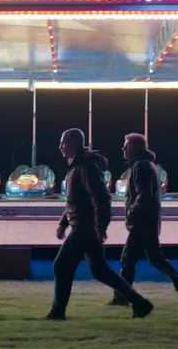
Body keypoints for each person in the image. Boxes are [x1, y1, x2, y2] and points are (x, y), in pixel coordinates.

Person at [47, 128, 152, 320]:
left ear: (73, 144)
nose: (60, 147)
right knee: (100, 271)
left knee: (61, 265)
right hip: (86, 227)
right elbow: (74, 201)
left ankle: (57, 312)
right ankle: (140, 303)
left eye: (63, 143)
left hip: (85, 228)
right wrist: (63, 224)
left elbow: (102, 198)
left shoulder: (85, 167)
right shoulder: (76, 167)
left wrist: (100, 227)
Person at [109, 133, 178, 307]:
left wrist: (132, 213)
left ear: (135, 148)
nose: (123, 149)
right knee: (153, 259)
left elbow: (144, 195)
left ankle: (122, 297)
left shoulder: (140, 166)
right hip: (147, 221)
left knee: (130, 259)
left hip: (142, 222)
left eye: (126, 146)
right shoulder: (146, 165)